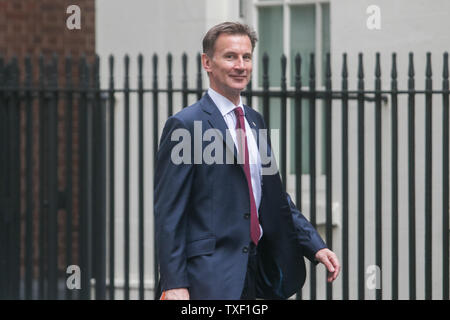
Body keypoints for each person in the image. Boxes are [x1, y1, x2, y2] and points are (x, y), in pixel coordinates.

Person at [154, 22, 340, 300]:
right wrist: (174, 282)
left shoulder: (254, 120)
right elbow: (170, 213)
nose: (240, 65)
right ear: (207, 62)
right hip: (207, 278)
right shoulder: (185, 125)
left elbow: (272, 196)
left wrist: (313, 244)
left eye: (246, 57)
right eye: (230, 56)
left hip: (257, 269)